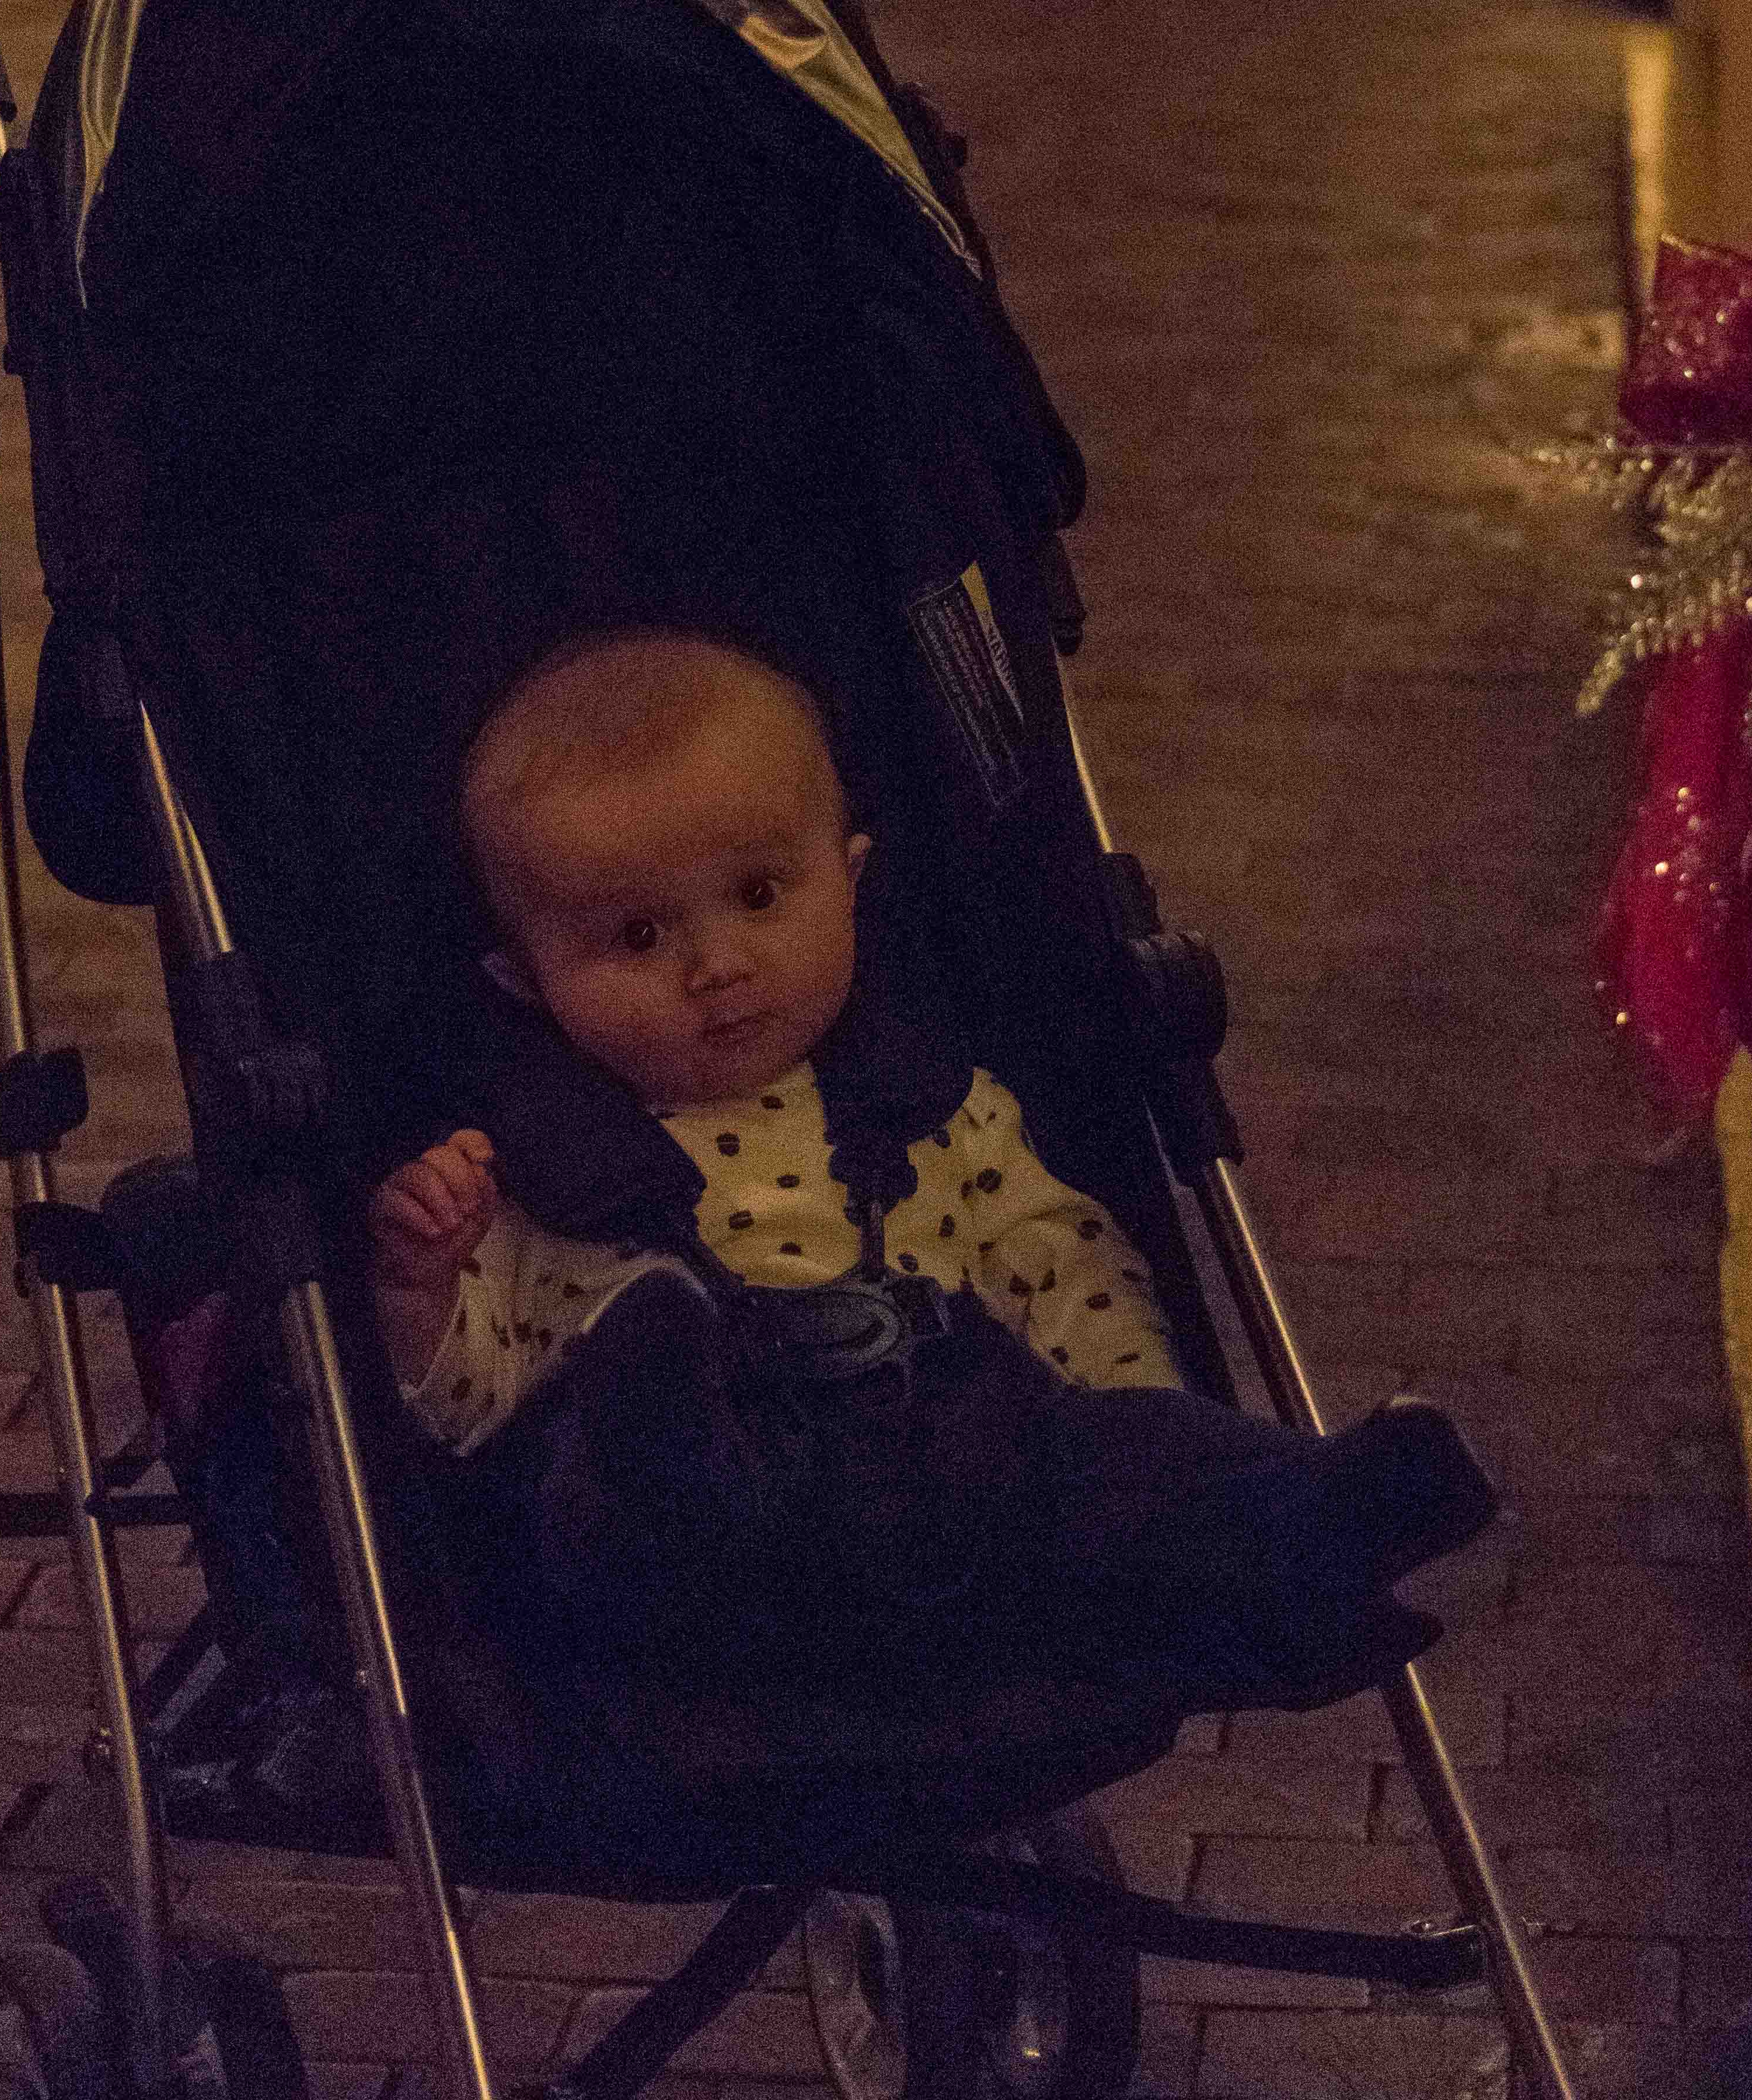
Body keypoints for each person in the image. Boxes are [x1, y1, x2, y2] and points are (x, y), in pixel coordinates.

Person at [367, 628, 1495, 1704]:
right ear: (524, 979)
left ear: (850, 877)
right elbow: (475, 1405)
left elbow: (1060, 1270)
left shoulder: (928, 1104)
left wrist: (1132, 1425)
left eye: (760, 897)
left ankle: (1294, 1523)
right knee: (637, 1376)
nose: (716, 965)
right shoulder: (537, 1169)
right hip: (714, 1560)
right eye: (638, 938)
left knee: (1095, 1435)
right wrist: (422, 1291)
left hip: (956, 1491)